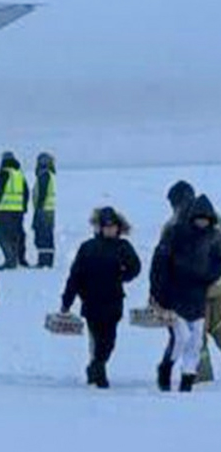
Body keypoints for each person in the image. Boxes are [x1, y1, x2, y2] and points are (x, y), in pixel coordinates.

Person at [60, 207, 140, 389]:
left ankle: (95, 367)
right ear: (100, 228)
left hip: (113, 301)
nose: (110, 230)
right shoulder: (88, 247)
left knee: (109, 340)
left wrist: (123, 275)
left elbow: (135, 267)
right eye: (107, 226)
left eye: (113, 227)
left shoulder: (123, 247)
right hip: (91, 301)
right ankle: (98, 373)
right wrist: (67, 301)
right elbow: (75, 276)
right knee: (96, 338)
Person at [151, 195, 221, 392]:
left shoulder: (215, 237)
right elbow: (161, 263)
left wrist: (208, 275)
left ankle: (189, 380)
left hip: (203, 296)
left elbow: (218, 263)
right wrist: (159, 293)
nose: (202, 222)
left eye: (205, 219)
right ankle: (168, 369)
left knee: (197, 341)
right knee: (181, 338)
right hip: (177, 297)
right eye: (199, 218)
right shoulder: (175, 233)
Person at [0, 151, 30, 269]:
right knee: (15, 236)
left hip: (4, 211)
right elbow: (26, 193)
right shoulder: (19, 175)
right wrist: (23, 208)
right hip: (18, 211)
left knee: (2, 237)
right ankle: (15, 258)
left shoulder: (3, 174)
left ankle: (10, 260)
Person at [32, 152, 58, 268]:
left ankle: (44, 262)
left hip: (44, 210)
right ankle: (45, 260)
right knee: (46, 235)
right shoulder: (49, 175)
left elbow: (42, 194)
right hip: (48, 210)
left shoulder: (44, 175)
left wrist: (38, 209)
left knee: (43, 236)